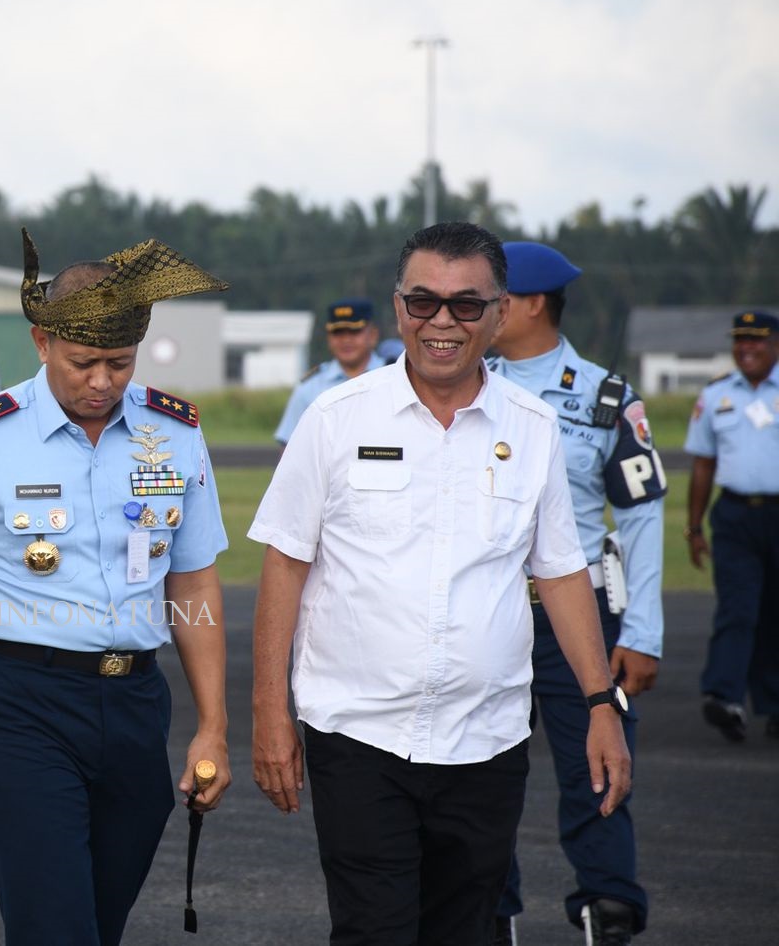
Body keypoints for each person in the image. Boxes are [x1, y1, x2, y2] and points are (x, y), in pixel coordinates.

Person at [248, 222, 632, 946]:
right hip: (357, 732)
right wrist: (272, 714)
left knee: (466, 930)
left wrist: (600, 707)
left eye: (465, 304)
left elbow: (560, 570)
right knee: (376, 930)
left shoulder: (535, 427)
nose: (442, 322)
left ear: (498, 311)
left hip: (486, 741)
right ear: (398, 309)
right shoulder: (335, 419)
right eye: (423, 302)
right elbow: (285, 563)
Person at [0, 231, 232, 946]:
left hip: (136, 703)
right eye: (84, 363)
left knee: (98, 925)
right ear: (41, 340)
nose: (103, 381)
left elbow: (194, 579)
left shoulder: (174, 433)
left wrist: (214, 725)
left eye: (119, 362)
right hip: (21, 700)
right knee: (54, 928)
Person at [488, 242, 666, 945]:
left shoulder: (606, 398)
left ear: (530, 303)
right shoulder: (467, 383)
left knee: (596, 764)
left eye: (492, 296)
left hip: (580, 611)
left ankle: (608, 907)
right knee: (478, 769)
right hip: (488, 609)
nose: (477, 308)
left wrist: (643, 632)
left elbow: (645, 513)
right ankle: (488, 911)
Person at [686, 309, 779, 744]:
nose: (747, 348)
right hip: (736, 515)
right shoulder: (717, 395)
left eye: (757, 340)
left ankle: (774, 703)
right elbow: (703, 464)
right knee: (738, 608)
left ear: (775, 344)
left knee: (773, 612)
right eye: (740, 340)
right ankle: (724, 697)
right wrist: (694, 527)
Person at [275, 298, 386, 447]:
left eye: (354, 331)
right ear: (328, 338)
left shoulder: (394, 377)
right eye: (338, 332)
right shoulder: (309, 387)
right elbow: (289, 449)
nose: (346, 340)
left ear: (372, 335)